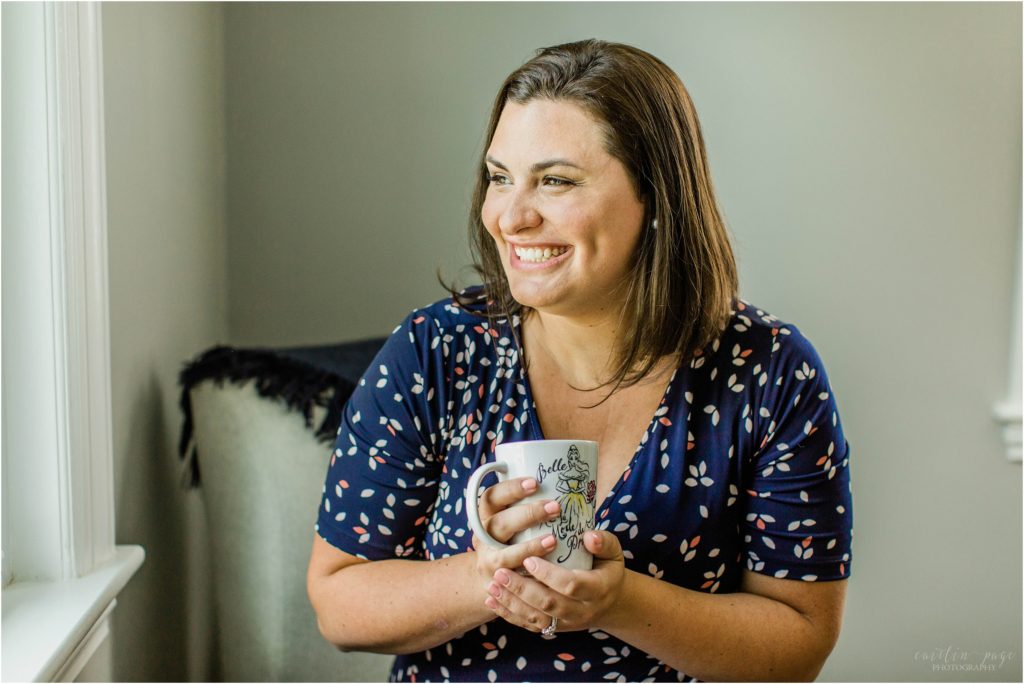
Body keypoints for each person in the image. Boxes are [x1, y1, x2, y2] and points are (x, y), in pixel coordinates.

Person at [307, 38, 853, 683]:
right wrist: (487, 571)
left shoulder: (768, 371)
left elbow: (799, 644)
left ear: (655, 197)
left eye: (556, 181)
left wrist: (619, 601)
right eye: (500, 177)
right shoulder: (437, 349)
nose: (511, 216)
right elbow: (339, 605)